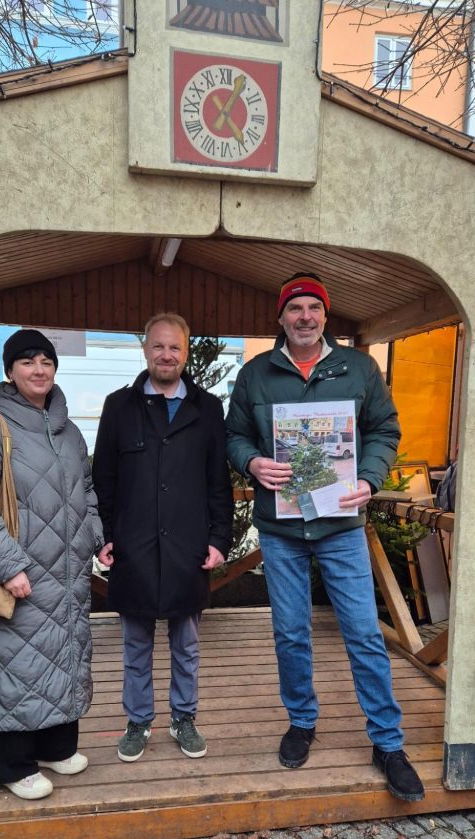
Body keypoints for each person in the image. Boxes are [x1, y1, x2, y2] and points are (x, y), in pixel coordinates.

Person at [226, 273, 425, 802]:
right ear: (281, 317)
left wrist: (370, 479)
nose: (305, 317)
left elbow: (385, 430)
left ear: (325, 316)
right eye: (295, 309)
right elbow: (234, 435)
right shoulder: (255, 375)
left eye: (314, 308)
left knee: (363, 633)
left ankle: (387, 743)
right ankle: (301, 722)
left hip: (340, 525)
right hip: (282, 529)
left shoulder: (359, 369)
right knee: (291, 633)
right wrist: (251, 462)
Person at [0, 329, 104, 800]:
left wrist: (96, 540)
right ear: (9, 371)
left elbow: (87, 491)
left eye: (46, 361)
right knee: (12, 661)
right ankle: (9, 764)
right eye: (27, 361)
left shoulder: (68, 431)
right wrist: (8, 565)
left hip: (67, 571)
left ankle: (54, 746)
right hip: (19, 573)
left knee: (59, 655)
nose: (38, 370)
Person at [92, 313, 233, 763]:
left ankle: (183, 717)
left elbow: (218, 482)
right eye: (158, 346)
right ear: (145, 350)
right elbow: (103, 479)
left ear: (185, 353)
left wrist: (220, 539)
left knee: (186, 645)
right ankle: (138, 721)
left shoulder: (207, 408)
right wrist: (103, 536)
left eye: (174, 347)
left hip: (188, 548)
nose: (166, 355)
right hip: (132, 547)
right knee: (135, 645)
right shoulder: (119, 406)